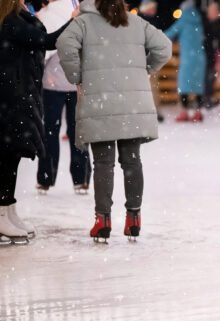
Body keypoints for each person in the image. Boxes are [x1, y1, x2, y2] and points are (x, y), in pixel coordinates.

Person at [57, 0, 172, 242]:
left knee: (103, 163)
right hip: (132, 104)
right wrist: (146, 69)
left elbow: (64, 44)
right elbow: (164, 46)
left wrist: (76, 76)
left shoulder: (83, 22)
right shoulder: (136, 22)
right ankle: (133, 218)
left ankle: (103, 220)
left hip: (100, 103)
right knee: (132, 161)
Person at [0, 0, 75, 242]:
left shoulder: (18, 17)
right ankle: (2, 214)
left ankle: (8, 211)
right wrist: (73, 22)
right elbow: (47, 40)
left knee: (12, 156)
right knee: (7, 157)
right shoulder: (10, 22)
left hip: (17, 94)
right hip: (10, 96)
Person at [36, 0, 92, 195]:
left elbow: (44, 48)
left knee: (50, 130)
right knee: (79, 131)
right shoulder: (80, 8)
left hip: (52, 82)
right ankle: (81, 178)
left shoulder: (47, 14)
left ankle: (46, 176)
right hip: (77, 80)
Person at [165, 0, 206, 122]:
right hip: (200, 57)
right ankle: (198, 112)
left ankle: (184, 112)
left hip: (187, 57)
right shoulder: (199, 21)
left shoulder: (183, 22)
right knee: (197, 85)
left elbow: (169, 34)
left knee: (184, 85)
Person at [139, 0, 166, 123]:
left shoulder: (150, 21)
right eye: (152, 8)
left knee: (152, 86)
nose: (154, 10)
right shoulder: (142, 21)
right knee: (148, 86)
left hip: (147, 58)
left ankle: (152, 110)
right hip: (143, 59)